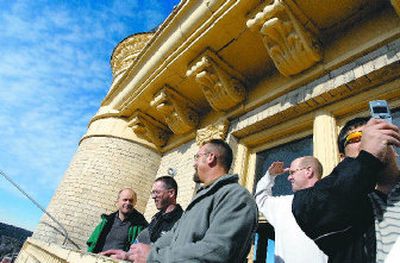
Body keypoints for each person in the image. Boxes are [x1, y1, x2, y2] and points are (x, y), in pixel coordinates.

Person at [103, 139, 258, 262]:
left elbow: (218, 251)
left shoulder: (236, 197)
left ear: (210, 158)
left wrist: (153, 257)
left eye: (197, 157)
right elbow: (172, 237)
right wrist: (131, 255)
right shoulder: (200, 199)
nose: (194, 163)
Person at [292, 117, 400, 263]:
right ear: (343, 158)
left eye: (376, 134)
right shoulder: (347, 205)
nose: (369, 140)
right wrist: (367, 158)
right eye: (356, 138)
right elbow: (312, 210)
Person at [255, 157, 327, 263]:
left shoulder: (335, 202)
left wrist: (271, 176)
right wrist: (269, 176)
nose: (289, 178)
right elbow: (261, 200)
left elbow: (261, 198)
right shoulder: (284, 204)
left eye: (292, 172)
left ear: (308, 171)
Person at [101, 176, 183, 258]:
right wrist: (126, 255)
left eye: (157, 192)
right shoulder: (156, 219)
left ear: (171, 193)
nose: (153, 197)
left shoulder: (182, 222)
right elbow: (141, 243)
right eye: (153, 193)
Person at [87, 188, 148, 253]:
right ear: (118, 201)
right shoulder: (106, 222)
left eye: (131, 200)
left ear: (135, 203)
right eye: (125, 200)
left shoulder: (140, 226)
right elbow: (92, 244)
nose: (128, 203)